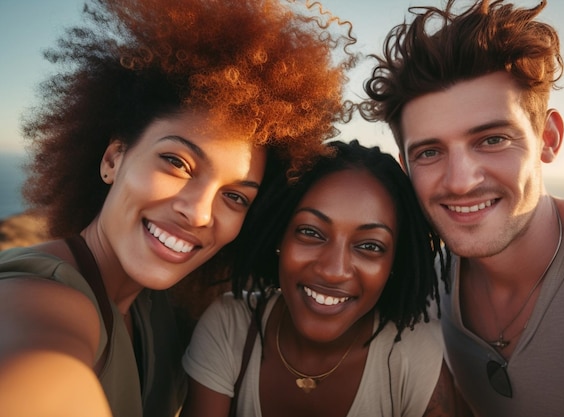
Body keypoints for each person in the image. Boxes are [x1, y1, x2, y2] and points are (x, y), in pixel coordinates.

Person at [0, 0, 356, 416]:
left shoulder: (160, 308)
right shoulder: (41, 297)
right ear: (113, 159)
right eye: (177, 163)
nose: (201, 213)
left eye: (235, 197)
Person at [360, 0, 564, 416]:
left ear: (548, 138)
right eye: (430, 152)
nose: (460, 181)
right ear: (406, 168)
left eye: (492, 140)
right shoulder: (427, 286)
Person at [181, 140, 473, 417]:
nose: (334, 270)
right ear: (280, 235)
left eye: (370, 246)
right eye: (311, 232)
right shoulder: (230, 327)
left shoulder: (416, 355)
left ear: (394, 262)